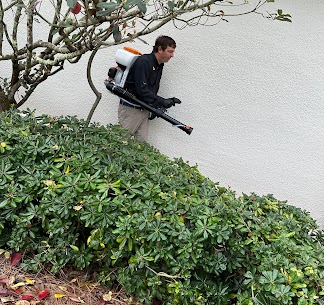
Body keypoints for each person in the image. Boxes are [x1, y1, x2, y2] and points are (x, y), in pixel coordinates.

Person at [118, 35, 181, 142]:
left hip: (144, 109)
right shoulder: (143, 62)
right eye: (170, 51)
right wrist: (162, 101)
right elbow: (141, 89)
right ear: (160, 49)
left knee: (141, 146)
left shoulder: (159, 65)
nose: (172, 55)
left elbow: (151, 90)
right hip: (131, 110)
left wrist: (154, 106)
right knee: (121, 143)